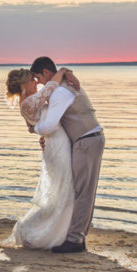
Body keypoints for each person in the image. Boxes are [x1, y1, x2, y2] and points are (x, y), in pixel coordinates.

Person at [30, 56, 104, 253]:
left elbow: (50, 125)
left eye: (38, 78)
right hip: (86, 139)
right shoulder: (63, 86)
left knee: (82, 192)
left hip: (86, 141)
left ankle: (75, 240)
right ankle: (77, 235)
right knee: (81, 190)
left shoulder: (60, 92)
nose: (38, 84)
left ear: (46, 73)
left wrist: (35, 128)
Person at [0, 67, 75, 249]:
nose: (36, 82)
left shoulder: (27, 102)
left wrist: (38, 131)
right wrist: (64, 71)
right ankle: (38, 231)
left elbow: (31, 128)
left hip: (55, 144)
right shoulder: (28, 102)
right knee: (62, 191)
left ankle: (59, 231)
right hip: (57, 146)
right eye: (32, 80)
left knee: (62, 191)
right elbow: (51, 85)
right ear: (24, 85)